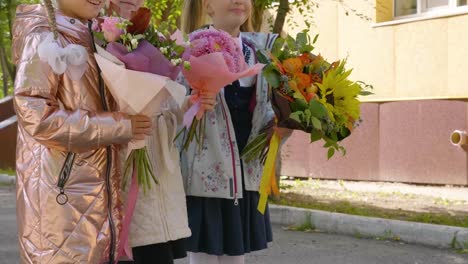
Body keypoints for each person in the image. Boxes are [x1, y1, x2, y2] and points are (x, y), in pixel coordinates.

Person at [12, 0, 151, 263]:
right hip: (61, 205)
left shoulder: (94, 35)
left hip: (97, 196)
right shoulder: (43, 36)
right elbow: (37, 116)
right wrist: (121, 126)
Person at [179, 0, 284, 263]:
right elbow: (171, 112)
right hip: (206, 178)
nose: (239, 1)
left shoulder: (263, 53)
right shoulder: (188, 50)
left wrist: (283, 124)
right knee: (202, 257)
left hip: (244, 175)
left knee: (236, 258)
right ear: (208, 5)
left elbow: (266, 110)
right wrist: (192, 104)